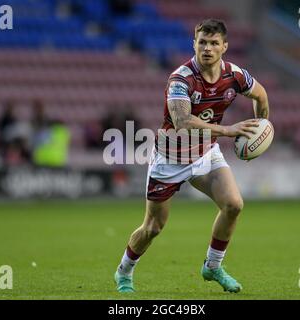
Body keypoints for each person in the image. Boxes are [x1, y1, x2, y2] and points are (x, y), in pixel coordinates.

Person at [114, 19, 270, 293]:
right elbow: (182, 121)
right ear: (194, 44)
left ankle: (212, 266)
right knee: (153, 228)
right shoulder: (181, 78)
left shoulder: (236, 75)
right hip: (170, 160)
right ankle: (124, 271)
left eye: (213, 43)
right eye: (202, 42)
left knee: (234, 204)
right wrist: (228, 130)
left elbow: (261, 95)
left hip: (205, 155)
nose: (207, 48)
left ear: (224, 46)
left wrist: (260, 130)